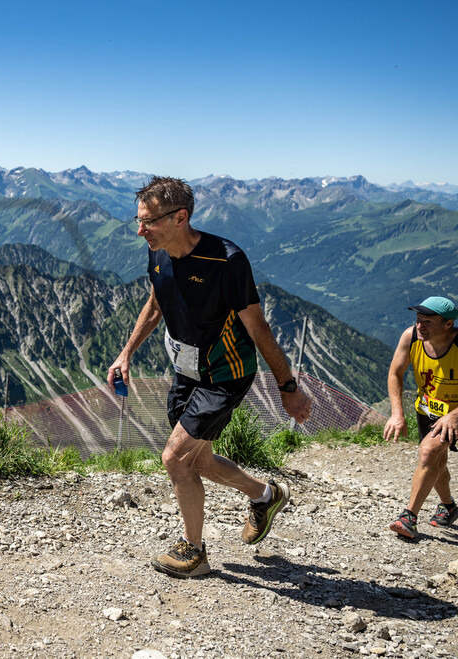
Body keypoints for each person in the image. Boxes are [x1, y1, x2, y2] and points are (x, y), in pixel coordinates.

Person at [108, 176, 312, 578]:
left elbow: (258, 329)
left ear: (180, 217)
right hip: (187, 371)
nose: (140, 230)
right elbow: (157, 302)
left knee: (175, 458)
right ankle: (266, 496)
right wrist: (126, 352)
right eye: (138, 220)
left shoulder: (226, 260)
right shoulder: (158, 250)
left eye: (149, 222)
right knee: (197, 461)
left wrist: (287, 388)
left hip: (225, 374)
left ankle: (194, 552)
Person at [383, 296, 458, 540]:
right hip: (426, 408)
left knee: (428, 452)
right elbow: (395, 372)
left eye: (428, 322)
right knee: (436, 460)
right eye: (418, 319)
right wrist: (397, 413)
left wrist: (456, 415)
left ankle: (408, 518)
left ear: (448, 324)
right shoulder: (411, 337)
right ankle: (448, 507)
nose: (420, 326)